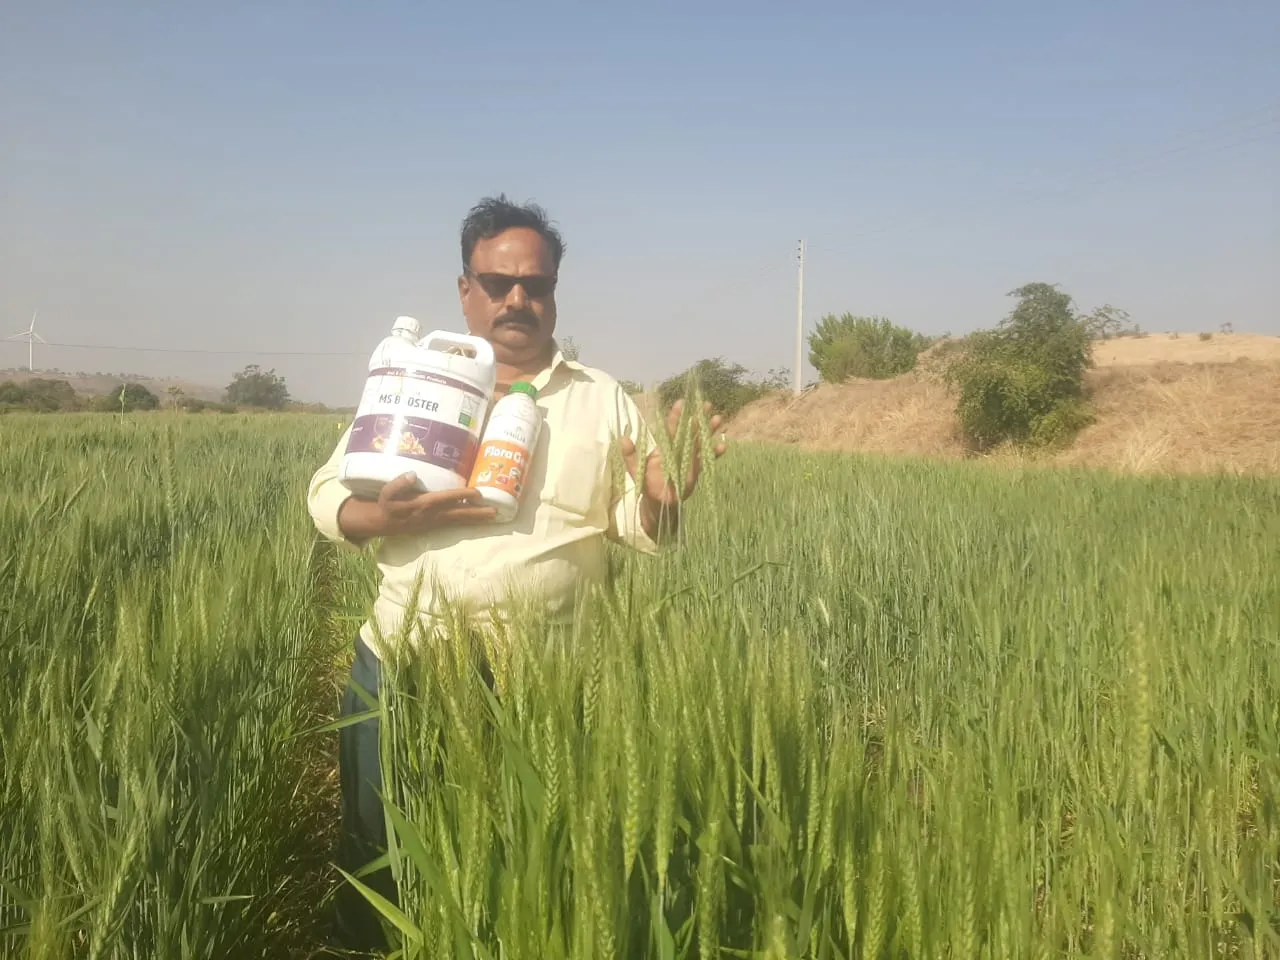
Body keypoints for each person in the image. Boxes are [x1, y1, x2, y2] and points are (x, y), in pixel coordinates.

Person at [305, 194, 727, 949]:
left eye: (536, 284)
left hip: (548, 684)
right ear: (465, 290)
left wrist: (663, 501)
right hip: (403, 666)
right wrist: (384, 518)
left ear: (556, 292)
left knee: (522, 869)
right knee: (380, 866)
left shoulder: (604, 401)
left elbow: (636, 524)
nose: (517, 299)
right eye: (497, 283)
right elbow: (328, 493)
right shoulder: (413, 382)